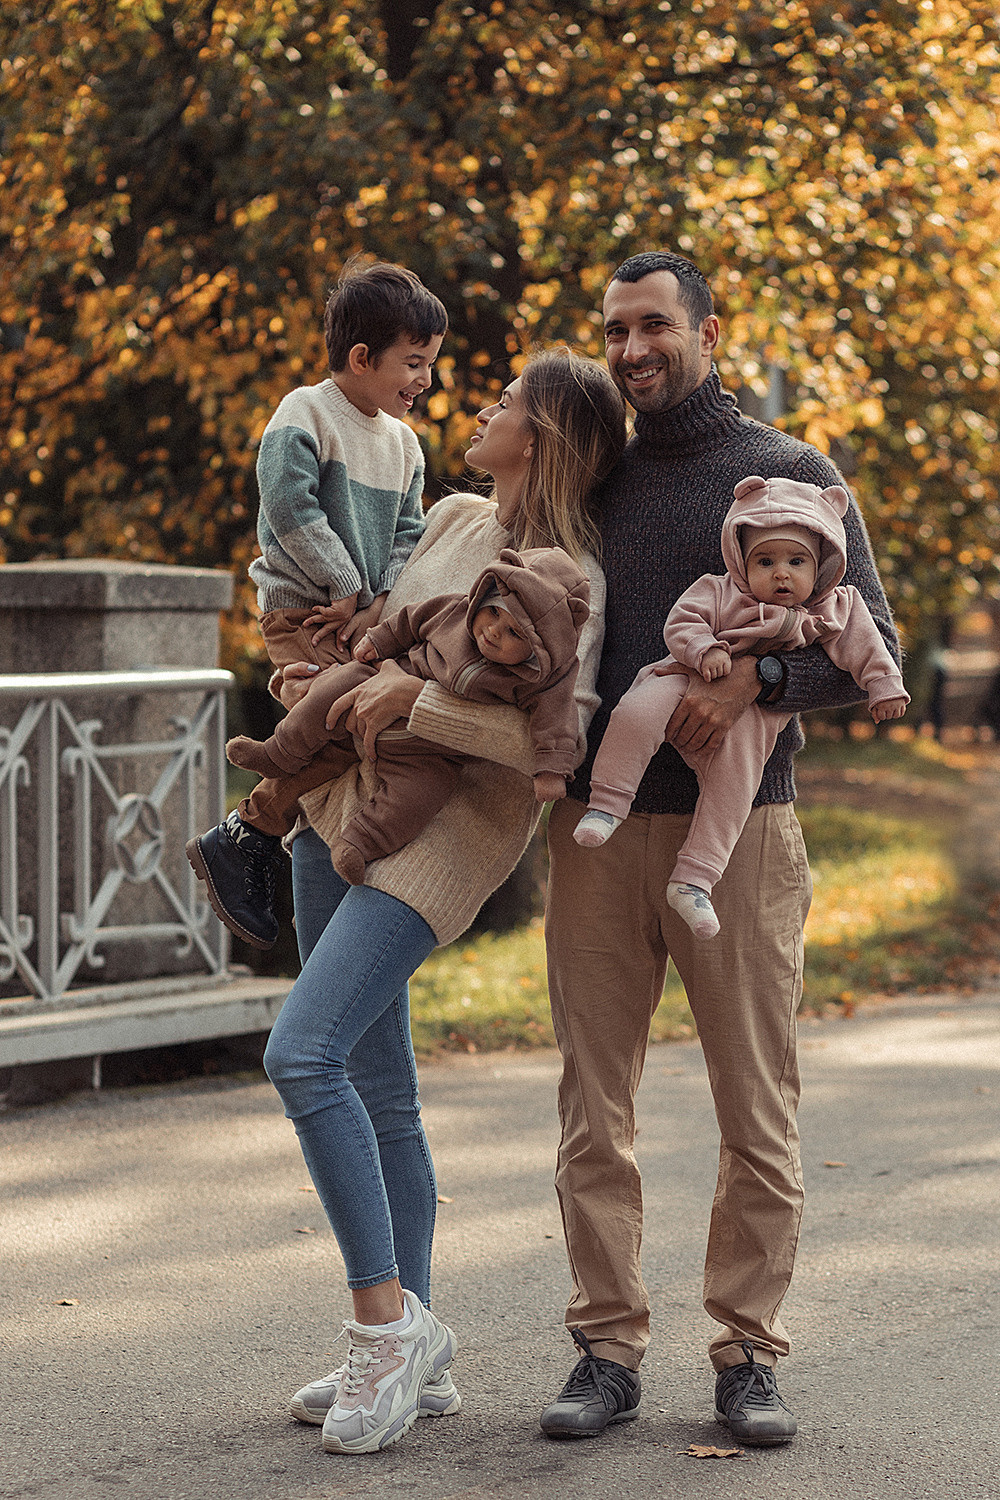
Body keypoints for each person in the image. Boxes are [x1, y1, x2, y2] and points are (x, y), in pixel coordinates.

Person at [198, 346, 626, 1456]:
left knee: (302, 1055)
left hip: (439, 841)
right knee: (381, 1090)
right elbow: (389, 632)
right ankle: (419, 1358)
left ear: (541, 440)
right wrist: (334, 674)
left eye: (501, 404)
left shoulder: (573, 566)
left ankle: (381, 1331)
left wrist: (411, 700)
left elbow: (549, 745)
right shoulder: (447, 518)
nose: (477, 412)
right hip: (337, 802)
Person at [540, 252, 903, 1447]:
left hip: (742, 834)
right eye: (613, 330)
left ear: (707, 328)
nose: (632, 348)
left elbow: (868, 651)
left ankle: (747, 1352)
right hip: (598, 828)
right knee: (595, 1106)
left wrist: (756, 679)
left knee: (757, 1106)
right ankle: (605, 1348)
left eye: (653, 325)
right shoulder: (594, 478)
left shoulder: (790, 472)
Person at [187, 258, 447, 950]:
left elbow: (407, 535)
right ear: (362, 358)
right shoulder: (306, 411)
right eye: (414, 363)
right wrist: (346, 586)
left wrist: (380, 600)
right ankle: (251, 832)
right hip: (304, 606)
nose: (425, 380)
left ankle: (255, 831)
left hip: (359, 613)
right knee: (336, 722)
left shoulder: (405, 444)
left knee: (361, 729)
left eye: (429, 364)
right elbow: (289, 505)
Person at [574, 474, 909, 938]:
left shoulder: (836, 607)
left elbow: (870, 647)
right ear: (741, 562)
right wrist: (703, 649)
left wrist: (884, 686)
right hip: (684, 674)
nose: (781, 573)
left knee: (735, 784)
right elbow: (683, 621)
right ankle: (608, 802)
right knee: (636, 711)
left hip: (754, 716)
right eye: (765, 561)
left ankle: (695, 879)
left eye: (797, 561)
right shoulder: (719, 590)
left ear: (822, 565)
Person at [223, 543, 590, 894]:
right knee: (339, 683)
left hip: (431, 753)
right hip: (371, 688)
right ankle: (278, 751)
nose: (493, 631)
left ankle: (359, 844)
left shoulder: (537, 680)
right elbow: (410, 621)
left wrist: (551, 768)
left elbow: (557, 720)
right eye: (493, 612)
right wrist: (377, 642)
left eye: (514, 633)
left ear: (539, 649)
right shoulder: (454, 612)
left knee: (420, 796)